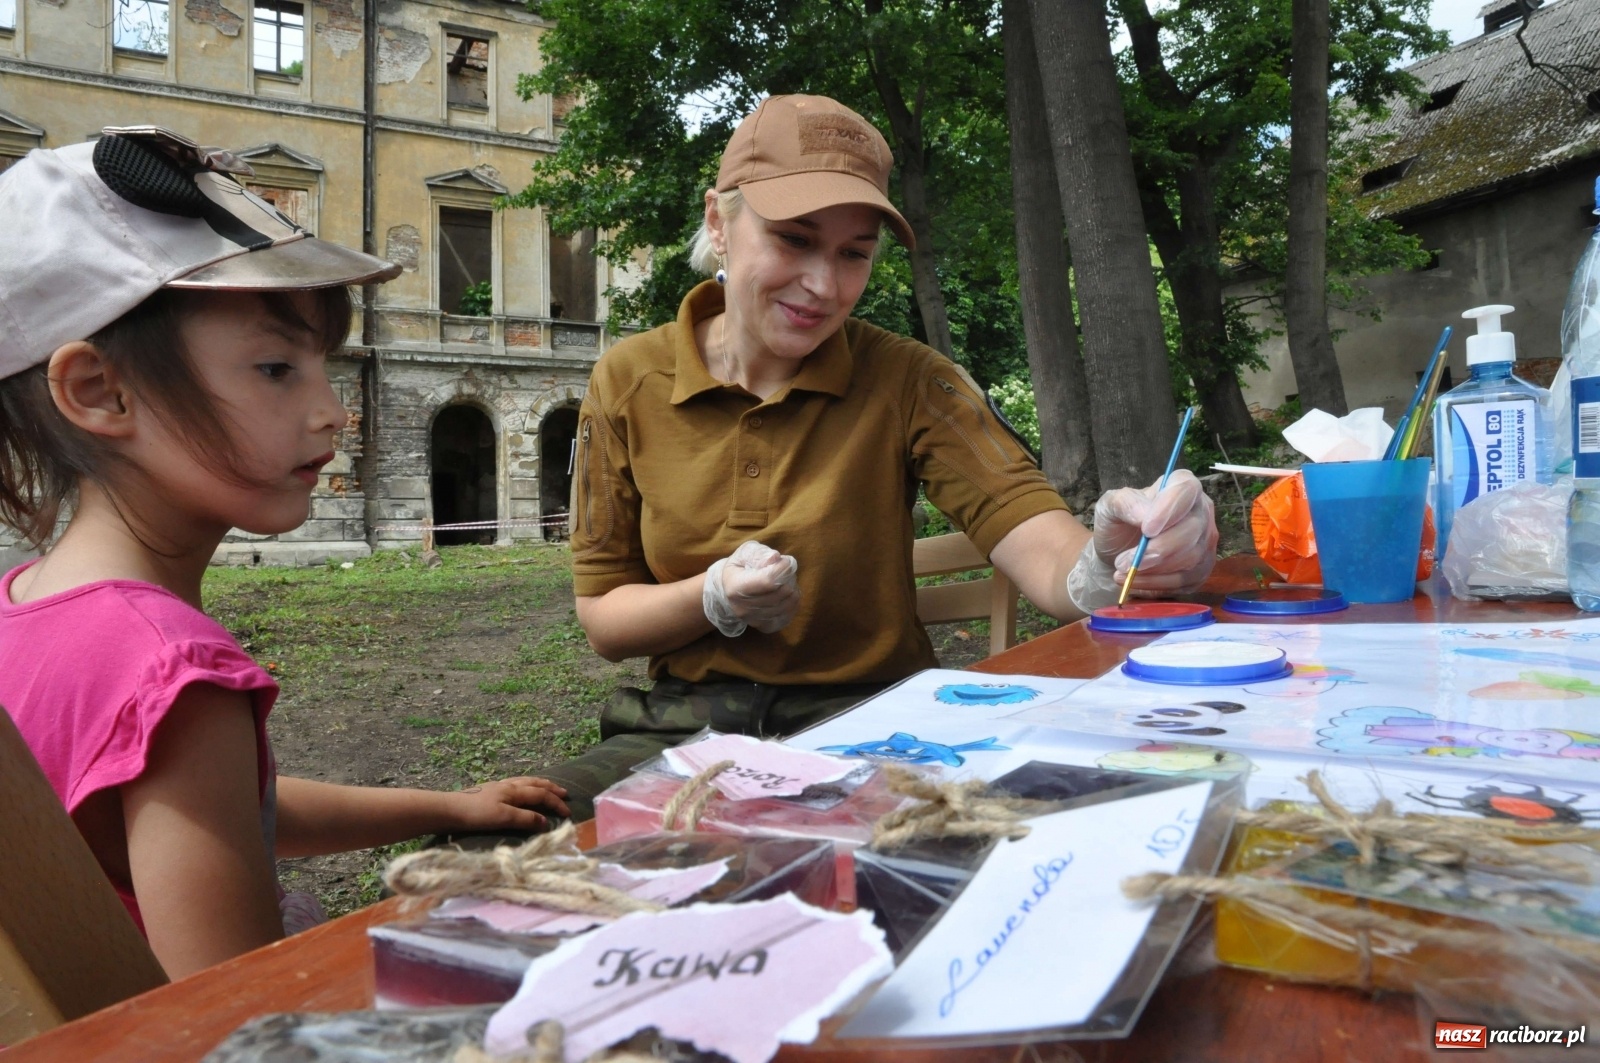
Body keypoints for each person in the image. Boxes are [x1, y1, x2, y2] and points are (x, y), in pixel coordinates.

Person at [543, 96, 1218, 818]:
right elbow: (605, 620)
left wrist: (1111, 557)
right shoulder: (626, 380)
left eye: (853, 253)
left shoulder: (912, 381)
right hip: (683, 735)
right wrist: (711, 595)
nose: (824, 285)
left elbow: (1044, 550)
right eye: (794, 239)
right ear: (719, 220)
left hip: (879, 731)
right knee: (498, 846)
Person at [0, 127, 569, 979]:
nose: (332, 411)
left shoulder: (28, 605)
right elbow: (235, 1017)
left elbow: (227, 812)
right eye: (276, 368)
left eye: (323, 365)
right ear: (98, 391)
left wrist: (448, 804)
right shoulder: (175, 676)